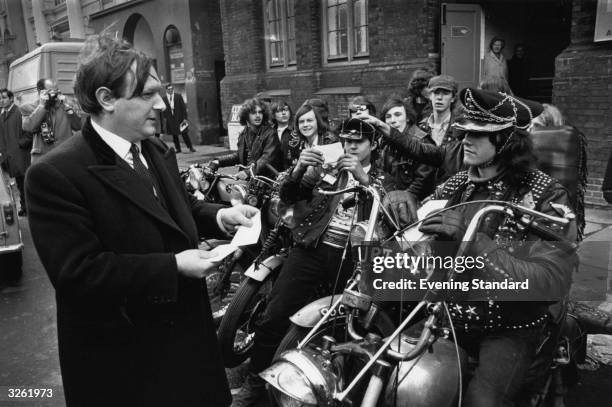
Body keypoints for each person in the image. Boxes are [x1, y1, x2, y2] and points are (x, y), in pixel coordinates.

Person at [25, 34, 258, 407]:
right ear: (106, 99)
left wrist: (221, 216)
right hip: (127, 364)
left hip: (188, 349)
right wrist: (174, 267)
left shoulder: (155, 149)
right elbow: (79, 274)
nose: (163, 104)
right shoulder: (56, 174)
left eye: (161, 91)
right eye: (148, 94)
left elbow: (175, 212)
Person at [418, 88, 576, 406]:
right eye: (464, 133)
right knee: (405, 377)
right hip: (450, 312)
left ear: (505, 140)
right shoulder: (457, 184)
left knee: (482, 402)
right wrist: (401, 205)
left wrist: (474, 243)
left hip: (509, 323)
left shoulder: (545, 194)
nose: (466, 141)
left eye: (478, 135)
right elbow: (416, 236)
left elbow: (549, 279)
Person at [230, 117, 397, 407]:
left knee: (349, 328)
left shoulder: (386, 177)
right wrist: (297, 171)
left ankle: (330, 388)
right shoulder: (327, 169)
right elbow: (289, 196)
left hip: (357, 259)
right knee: (274, 316)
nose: (351, 146)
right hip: (313, 246)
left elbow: (395, 219)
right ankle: (256, 381)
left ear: (374, 145)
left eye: (359, 142)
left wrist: (365, 179)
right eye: (347, 141)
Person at [376, 96, 435, 226]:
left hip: (417, 208)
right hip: (392, 205)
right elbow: (384, 174)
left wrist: (400, 201)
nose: (393, 120)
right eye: (388, 116)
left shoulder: (421, 141)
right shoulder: (385, 143)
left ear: (407, 118)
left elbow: (423, 181)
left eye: (398, 115)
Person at [216, 98, 281, 178]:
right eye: (253, 113)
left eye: (260, 112)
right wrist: (218, 161)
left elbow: (266, 159)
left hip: (263, 180)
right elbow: (239, 155)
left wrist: (248, 172)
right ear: (246, 115)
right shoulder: (244, 133)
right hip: (247, 179)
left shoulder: (270, 133)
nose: (258, 115)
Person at [21, 78, 82, 164]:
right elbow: (29, 127)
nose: (54, 94)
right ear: (40, 92)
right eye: (50, 91)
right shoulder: (29, 107)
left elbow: (78, 126)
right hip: (43, 158)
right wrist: (42, 106)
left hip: (65, 155)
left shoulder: (66, 104)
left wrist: (67, 106)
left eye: (56, 90)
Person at [0, 88, 31, 216]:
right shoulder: (2, 114)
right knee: (19, 184)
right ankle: (24, 207)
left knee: (25, 183)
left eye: (4, 98)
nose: (1, 100)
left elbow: (29, 132)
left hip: (21, 155)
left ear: (11, 98)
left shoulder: (19, 111)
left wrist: (19, 145)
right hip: (10, 156)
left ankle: (28, 209)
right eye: (0, 98)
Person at [285, 102, 339, 168]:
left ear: (317, 122)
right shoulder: (299, 143)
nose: (305, 125)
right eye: (301, 122)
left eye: (309, 120)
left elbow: (333, 174)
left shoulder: (330, 141)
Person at [161, 84, 196, 153]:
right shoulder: (164, 98)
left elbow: (183, 108)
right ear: (166, 90)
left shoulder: (178, 96)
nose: (170, 90)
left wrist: (185, 118)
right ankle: (178, 149)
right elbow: (163, 110)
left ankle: (190, 147)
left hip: (180, 118)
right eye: (169, 89)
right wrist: (165, 118)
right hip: (171, 119)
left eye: (171, 89)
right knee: (174, 135)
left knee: (184, 133)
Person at [270, 100, 293, 170]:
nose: (284, 113)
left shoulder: (296, 131)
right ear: (273, 115)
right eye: (279, 111)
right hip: (273, 173)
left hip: (292, 172)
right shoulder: (269, 132)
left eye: (286, 110)